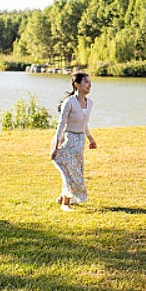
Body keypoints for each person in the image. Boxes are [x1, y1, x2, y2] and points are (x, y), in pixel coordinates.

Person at [51, 72, 97, 212]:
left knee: (77, 171)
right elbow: (61, 124)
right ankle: (66, 203)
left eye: (90, 82)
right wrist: (57, 145)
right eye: (86, 82)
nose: (89, 85)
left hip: (80, 141)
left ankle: (63, 196)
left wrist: (91, 139)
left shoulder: (90, 103)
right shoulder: (69, 102)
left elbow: (84, 124)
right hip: (68, 140)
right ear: (77, 85)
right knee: (69, 171)